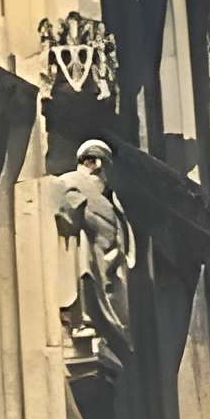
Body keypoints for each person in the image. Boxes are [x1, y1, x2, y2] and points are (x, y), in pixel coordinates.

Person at [52, 138, 134, 360]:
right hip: (86, 275)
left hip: (108, 281)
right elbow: (66, 217)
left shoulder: (113, 204)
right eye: (108, 169)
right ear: (96, 163)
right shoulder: (69, 183)